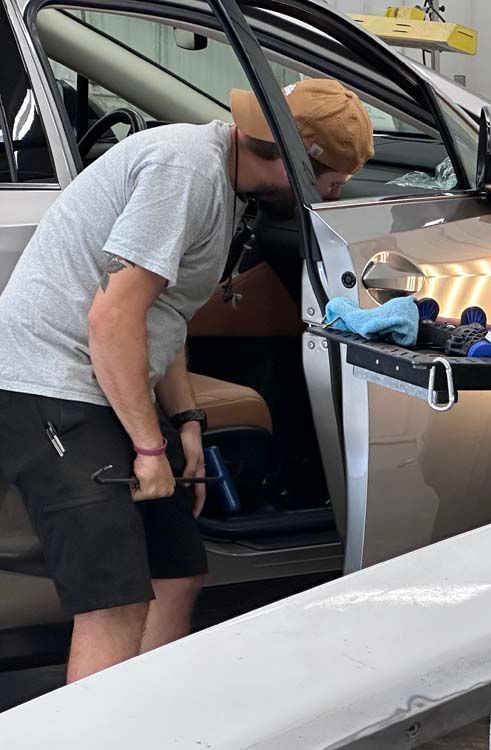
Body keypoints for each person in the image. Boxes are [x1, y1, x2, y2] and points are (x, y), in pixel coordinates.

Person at [0, 78, 374, 682]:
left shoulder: (224, 184)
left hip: (108, 378)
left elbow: (160, 313)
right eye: (332, 175)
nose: (336, 189)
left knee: (174, 571)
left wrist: (185, 422)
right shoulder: (187, 172)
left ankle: (147, 726)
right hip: (51, 382)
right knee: (113, 602)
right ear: (290, 156)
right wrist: (149, 447)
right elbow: (113, 316)